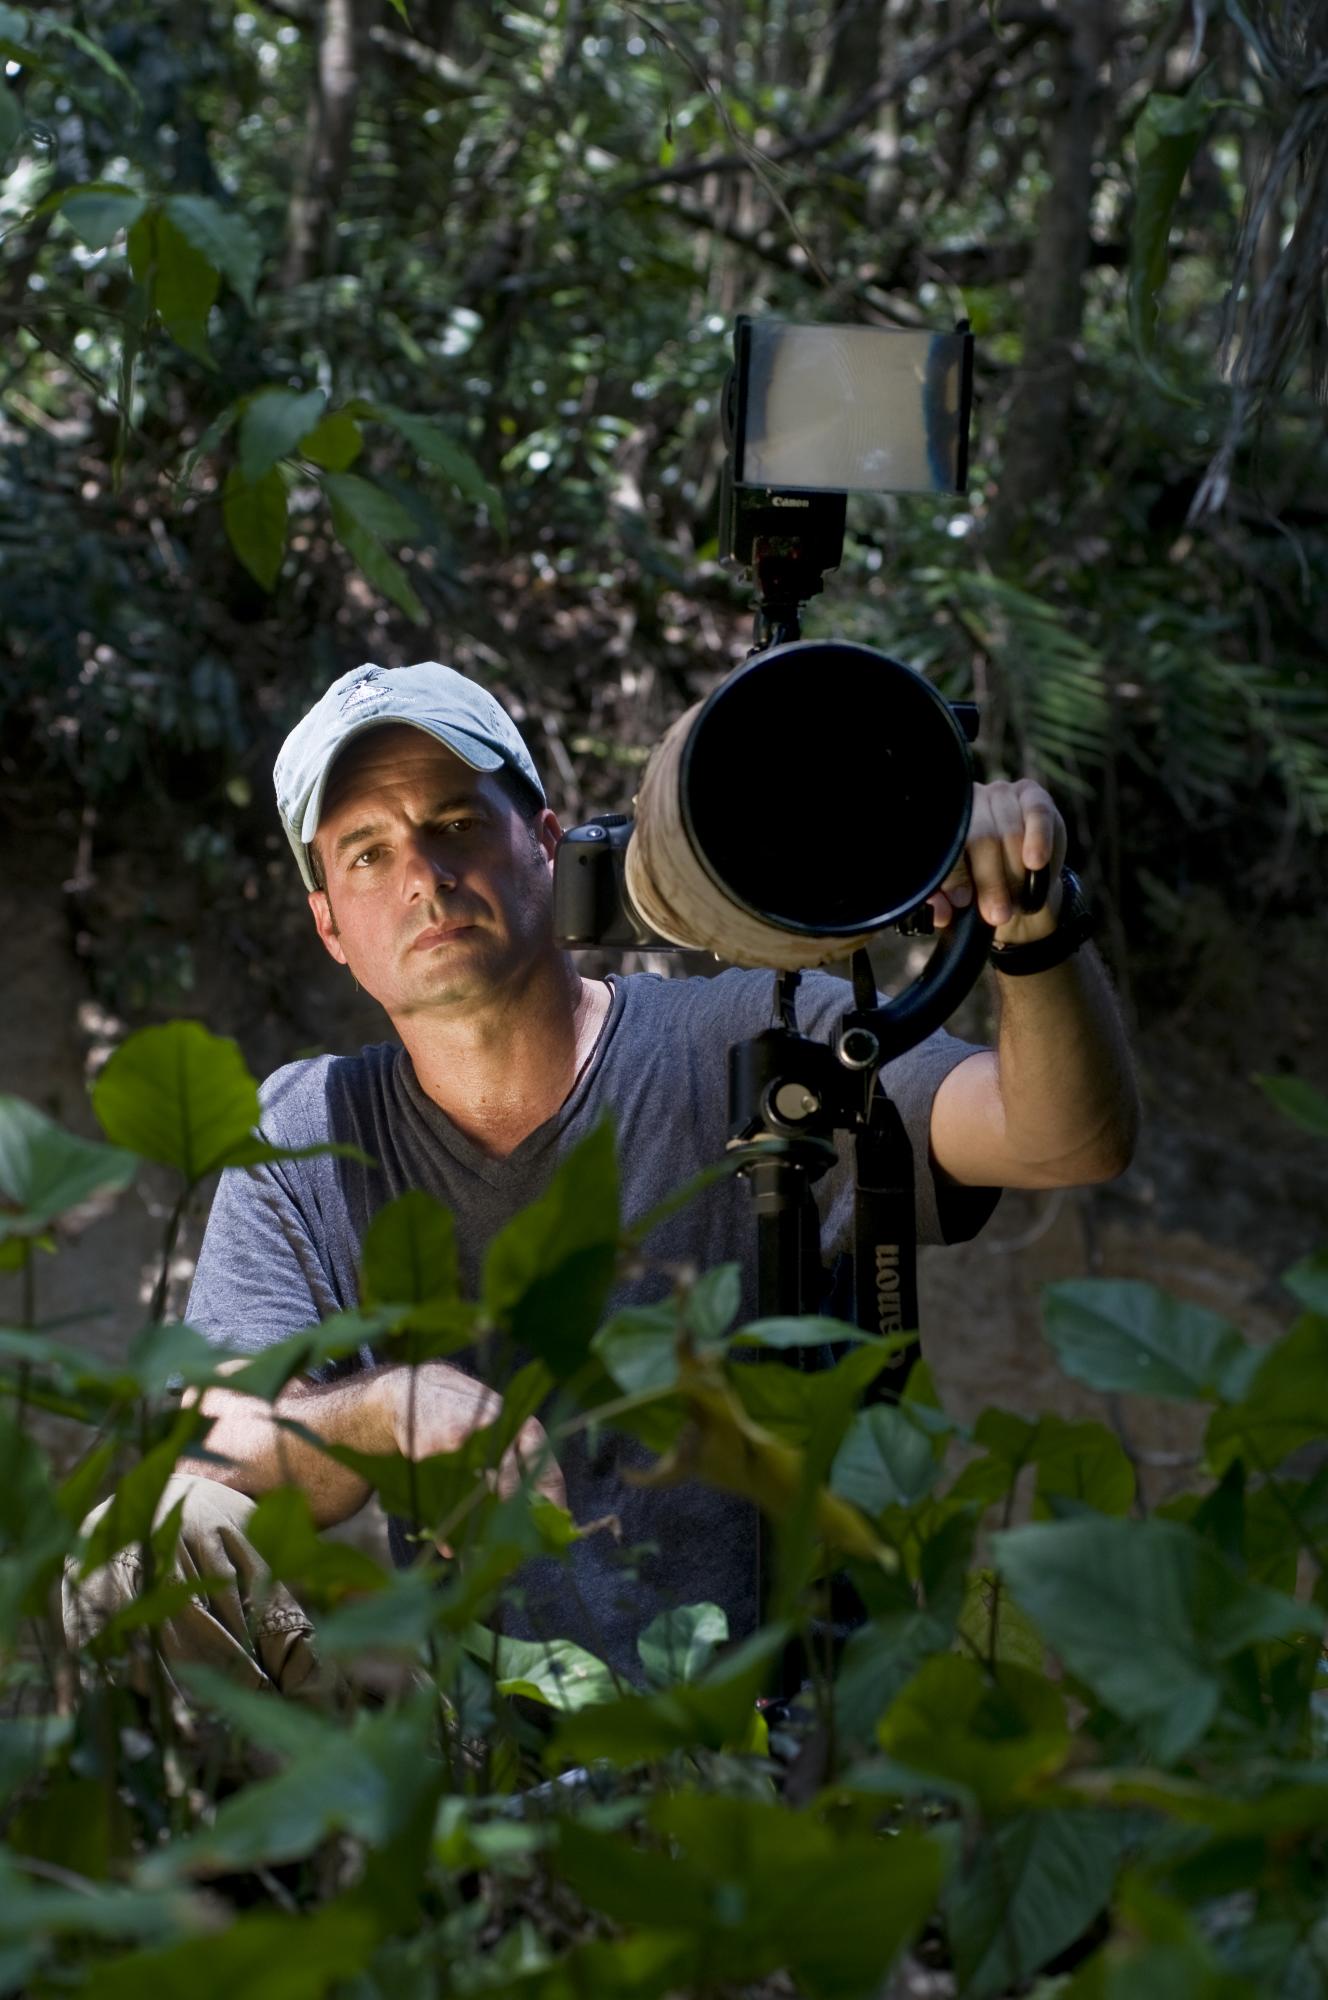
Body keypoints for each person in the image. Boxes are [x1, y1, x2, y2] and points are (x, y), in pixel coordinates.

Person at [66, 661, 1138, 1691]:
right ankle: (293, 1866)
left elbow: (1058, 1135)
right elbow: (218, 1437)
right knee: (143, 1547)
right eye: (364, 853)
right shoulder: (314, 1126)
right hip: (484, 1745)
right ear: (329, 926)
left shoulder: (746, 1035)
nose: (424, 880)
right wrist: (382, 1406)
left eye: (453, 824)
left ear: (544, 843)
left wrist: (1032, 923)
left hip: (783, 1730)